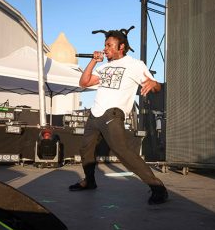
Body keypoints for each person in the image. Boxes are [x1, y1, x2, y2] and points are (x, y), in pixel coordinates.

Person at [69, 27, 168, 205]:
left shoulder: (135, 65)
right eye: (104, 45)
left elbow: (156, 87)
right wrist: (93, 61)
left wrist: (153, 82)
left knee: (123, 152)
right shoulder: (104, 66)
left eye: (109, 45)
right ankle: (89, 181)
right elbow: (83, 82)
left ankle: (157, 187)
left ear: (121, 46)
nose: (105, 48)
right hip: (95, 114)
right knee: (85, 149)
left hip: (112, 114)